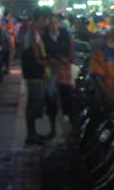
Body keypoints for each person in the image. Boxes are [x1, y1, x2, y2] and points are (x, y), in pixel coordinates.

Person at [18, 9, 50, 144]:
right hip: (34, 72)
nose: (47, 23)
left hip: (33, 71)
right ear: (41, 18)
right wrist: (45, 62)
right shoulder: (32, 32)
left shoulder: (34, 31)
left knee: (33, 102)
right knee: (35, 102)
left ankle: (33, 133)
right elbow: (33, 54)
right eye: (46, 19)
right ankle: (31, 135)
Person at [43, 14, 75, 137]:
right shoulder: (44, 37)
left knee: (68, 99)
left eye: (56, 23)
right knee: (51, 102)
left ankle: (74, 129)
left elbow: (71, 51)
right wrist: (52, 59)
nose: (54, 26)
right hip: (51, 72)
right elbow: (43, 53)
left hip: (65, 72)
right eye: (51, 23)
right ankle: (53, 129)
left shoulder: (65, 35)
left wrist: (66, 60)